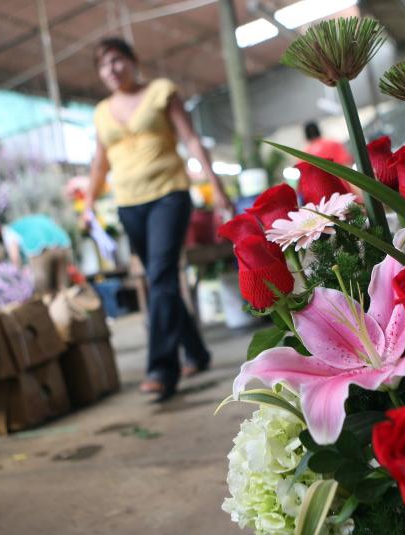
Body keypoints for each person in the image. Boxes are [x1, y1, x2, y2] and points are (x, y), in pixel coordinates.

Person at [86, 37, 232, 401]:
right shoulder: (102, 111)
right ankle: (196, 352)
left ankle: (161, 368)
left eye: (117, 60)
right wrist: (88, 201)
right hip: (128, 203)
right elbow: (100, 161)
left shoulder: (161, 91)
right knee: (158, 277)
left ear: (133, 60)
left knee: (162, 277)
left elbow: (192, 140)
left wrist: (217, 188)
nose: (112, 70)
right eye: (104, 66)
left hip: (169, 193)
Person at [2, 214, 71, 295]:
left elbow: (15, 256)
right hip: (62, 246)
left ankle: (52, 304)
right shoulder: (41, 218)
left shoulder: (9, 229)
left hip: (39, 249)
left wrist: (18, 274)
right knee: (63, 287)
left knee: (45, 291)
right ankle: (67, 304)